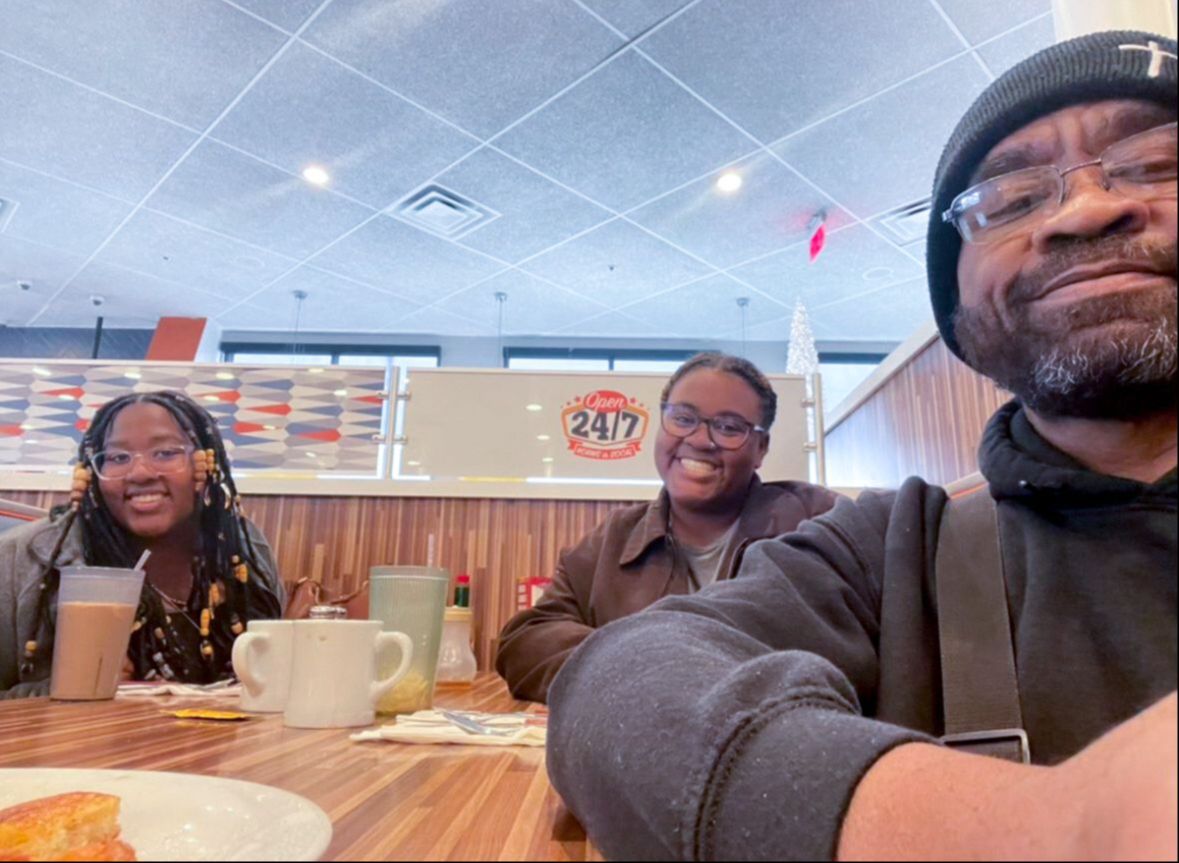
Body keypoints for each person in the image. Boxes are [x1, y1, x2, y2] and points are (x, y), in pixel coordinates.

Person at [546, 30, 1177, 860]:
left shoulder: (806, 513)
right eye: (1011, 199)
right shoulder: (888, 549)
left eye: (1157, 162)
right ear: (956, 308)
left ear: (762, 446)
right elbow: (610, 677)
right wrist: (1046, 828)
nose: (1085, 209)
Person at [495, 353, 839, 702]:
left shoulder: (818, 523)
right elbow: (525, 643)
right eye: (683, 419)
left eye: (729, 427)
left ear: (761, 448)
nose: (701, 440)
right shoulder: (611, 543)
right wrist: (646, 663)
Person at [1, 390, 285, 698]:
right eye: (117, 458)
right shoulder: (23, 559)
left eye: (165, 453)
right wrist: (63, 688)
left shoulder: (240, 547)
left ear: (204, 464)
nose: (140, 473)